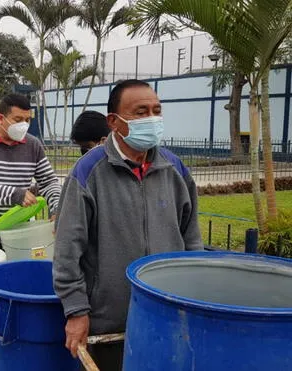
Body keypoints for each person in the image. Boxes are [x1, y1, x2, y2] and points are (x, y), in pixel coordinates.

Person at [53, 79, 203, 370]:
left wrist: (192, 296)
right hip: (109, 323)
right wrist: (76, 311)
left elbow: (192, 238)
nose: (151, 119)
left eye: (156, 111)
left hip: (168, 315)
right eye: (140, 112)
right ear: (114, 121)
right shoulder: (88, 172)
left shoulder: (175, 170)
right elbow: (67, 249)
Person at [0, 94, 62, 248]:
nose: (24, 125)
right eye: (18, 120)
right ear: (1, 118)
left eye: (27, 120)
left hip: (18, 229)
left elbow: (49, 181)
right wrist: (15, 194)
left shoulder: (33, 145)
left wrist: (57, 208)